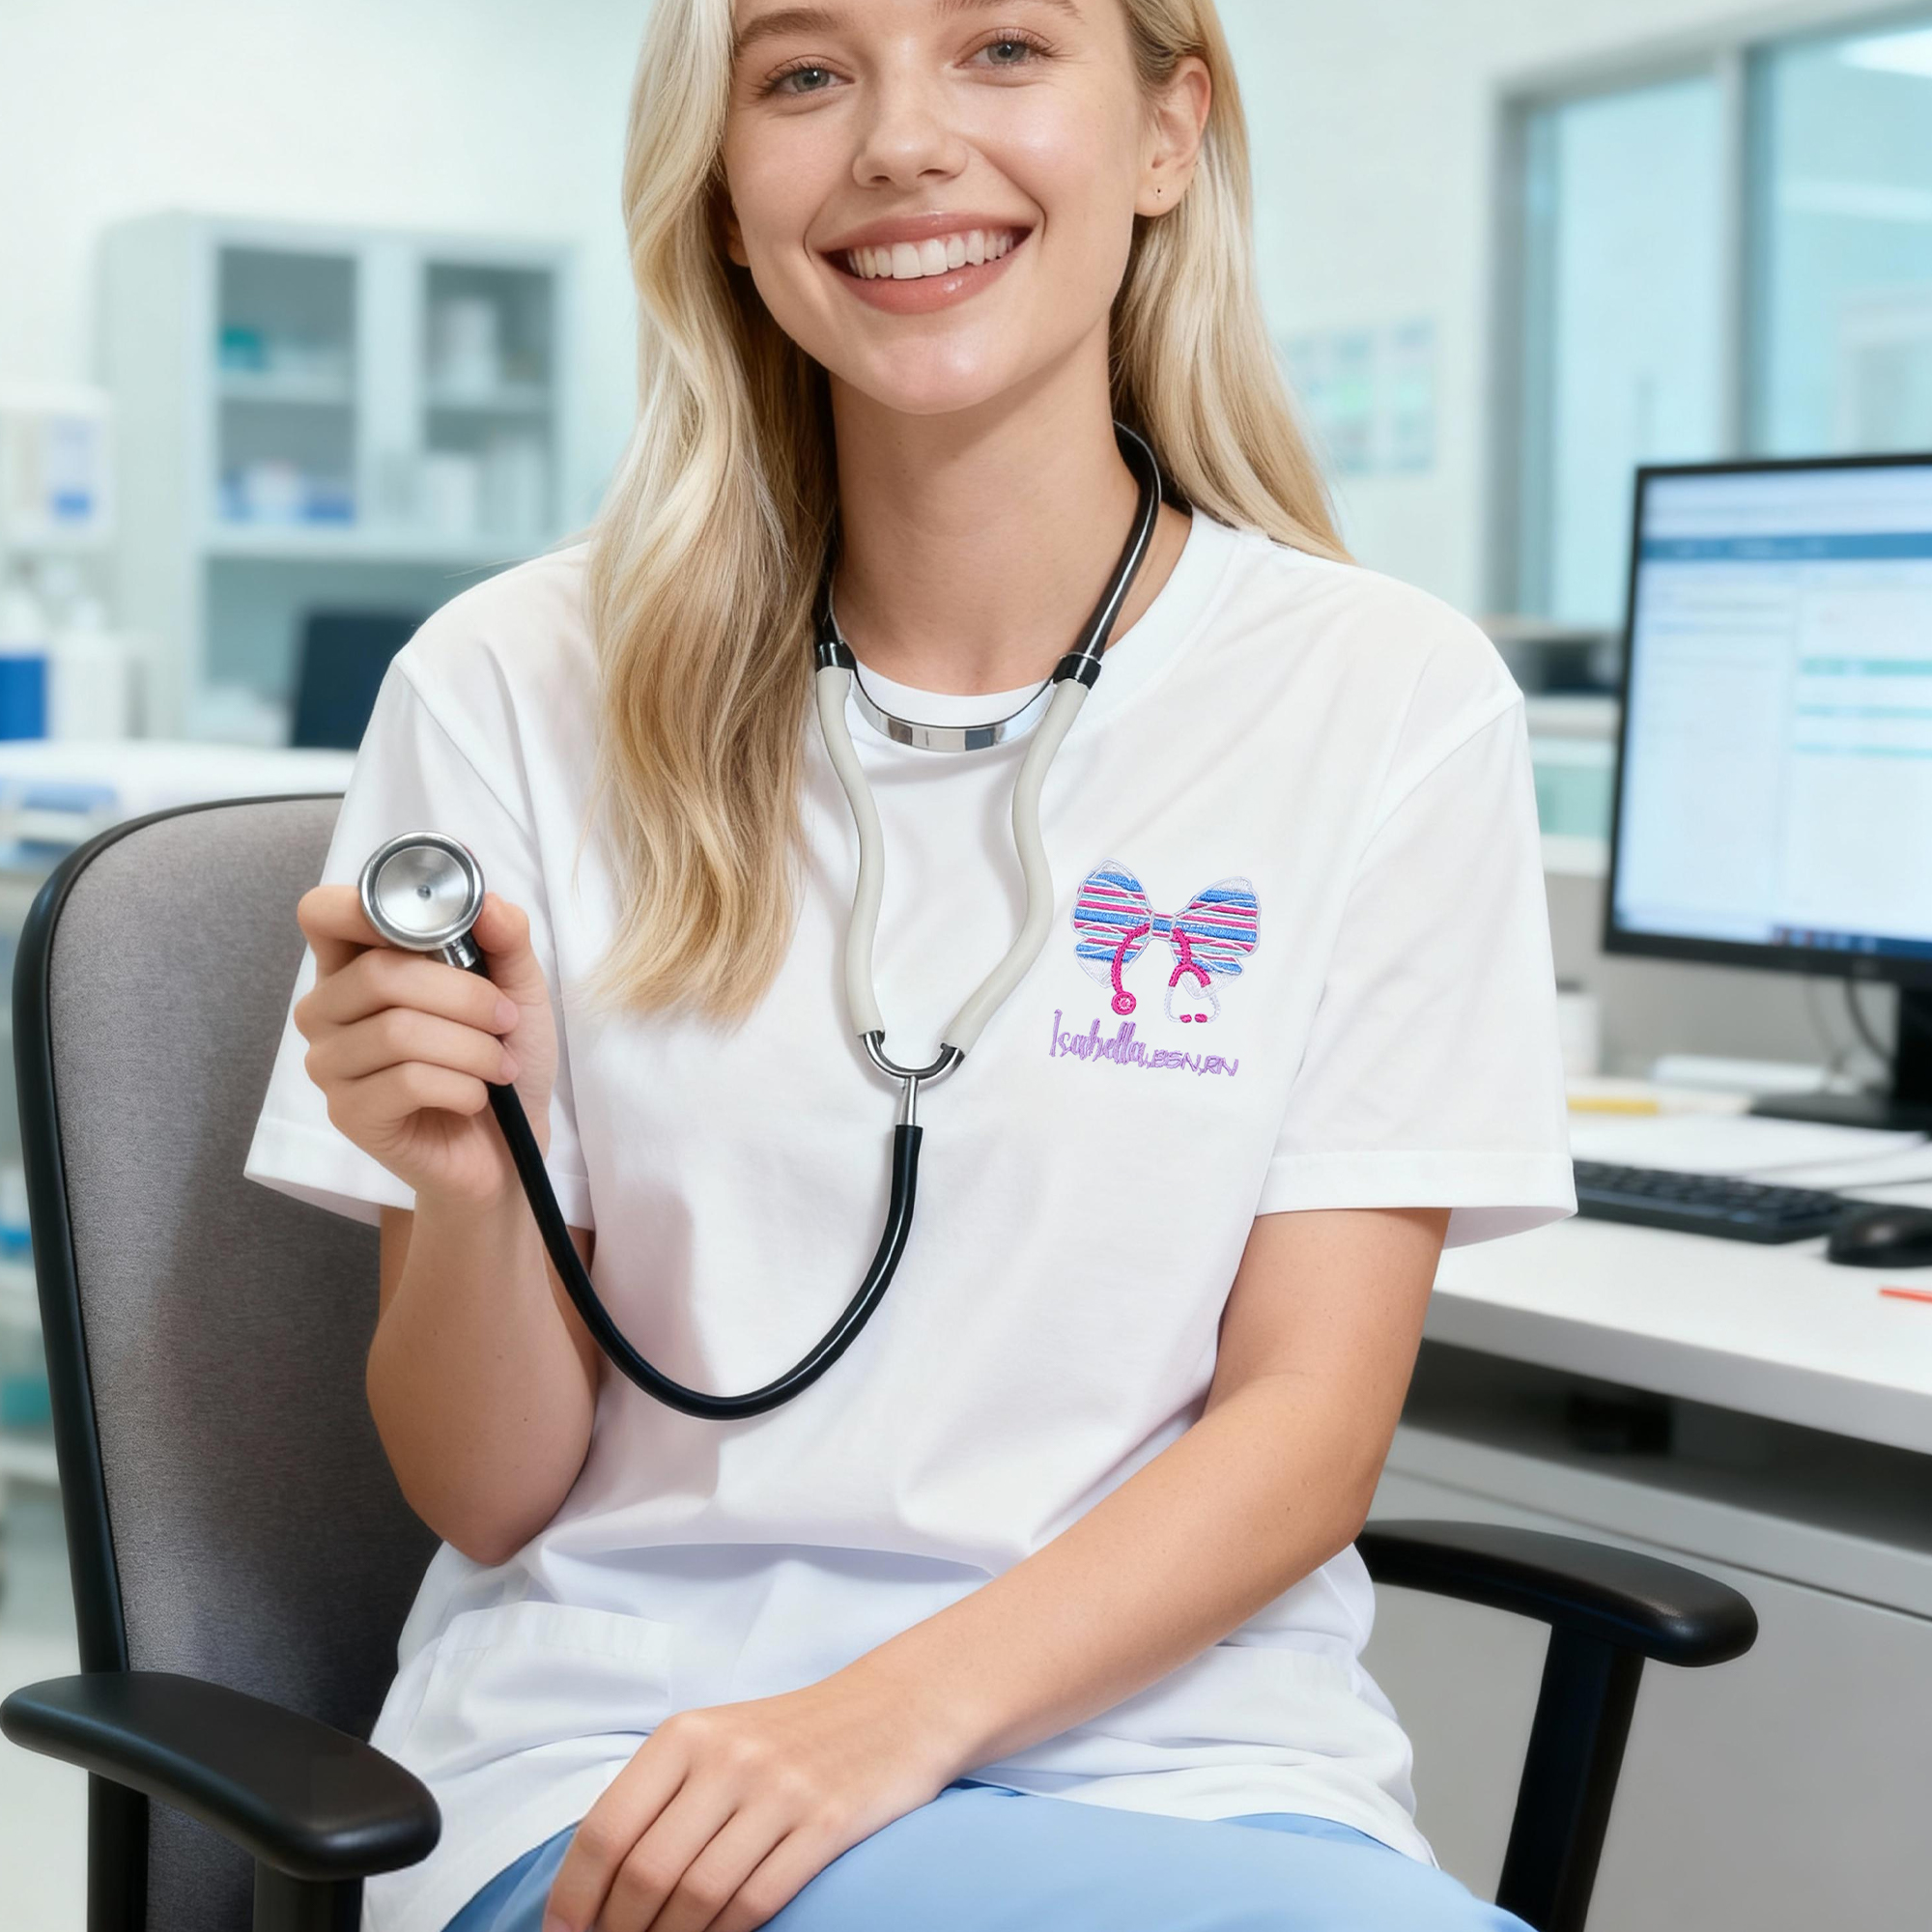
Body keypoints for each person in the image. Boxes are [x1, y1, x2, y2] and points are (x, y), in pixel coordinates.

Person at [245, 2, 1575, 1928]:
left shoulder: (1385, 702)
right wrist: (466, 1188)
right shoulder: (511, 686)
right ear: (718, 195)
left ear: (1165, 133)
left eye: (1003, 50)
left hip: (1197, 1774)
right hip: (635, 1769)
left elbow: (1305, 1425)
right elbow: (487, 1490)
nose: (898, 142)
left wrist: (889, 1716)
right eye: (802, 75)